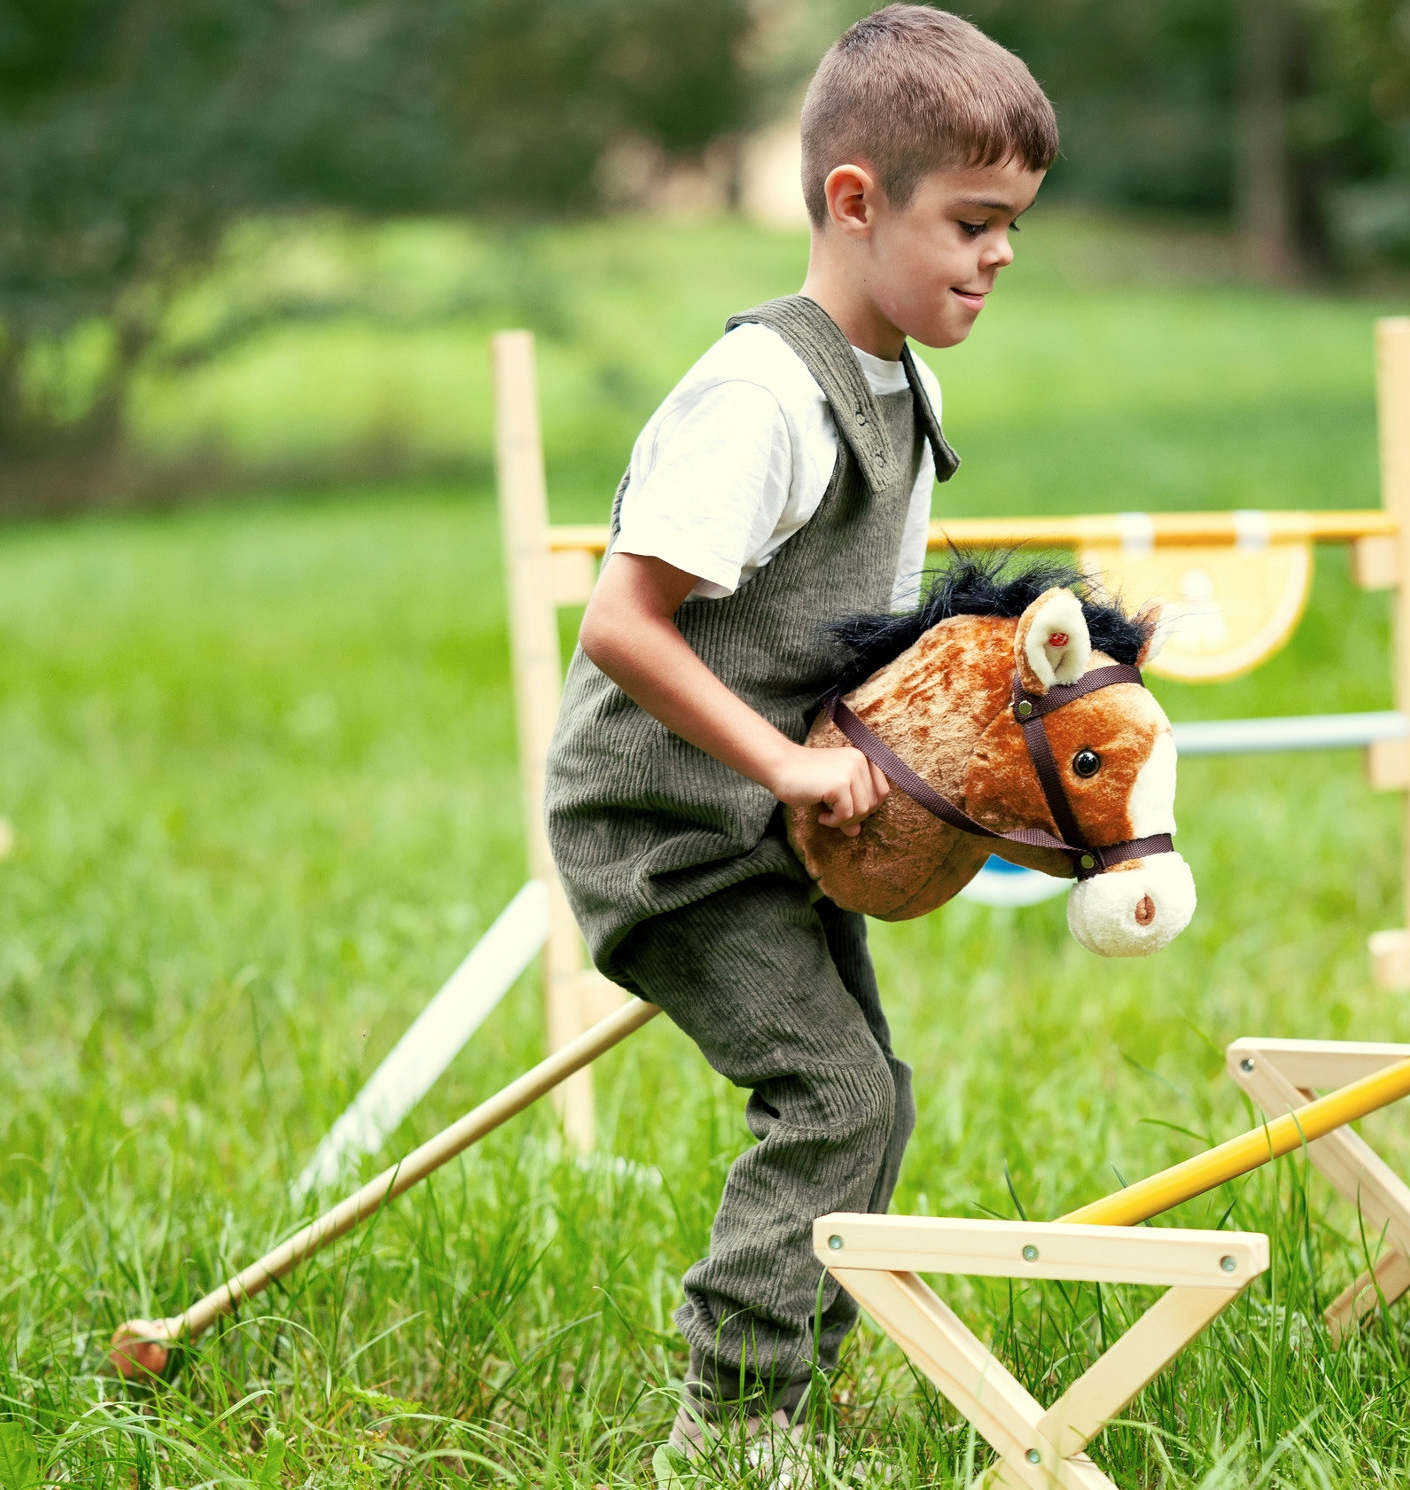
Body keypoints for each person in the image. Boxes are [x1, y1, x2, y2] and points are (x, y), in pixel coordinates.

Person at [544, 3, 1056, 1460]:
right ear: (853, 198)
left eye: (1013, 223)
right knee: (829, 1095)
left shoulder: (908, 384)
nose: (999, 254)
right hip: (670, 825)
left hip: (779, 813)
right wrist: (779, 765)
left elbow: (859, 653)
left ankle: (799, 1384)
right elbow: (620, 625)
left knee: (870, 1097)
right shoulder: (761, 396)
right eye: (971, 220)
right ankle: (726, 1424)